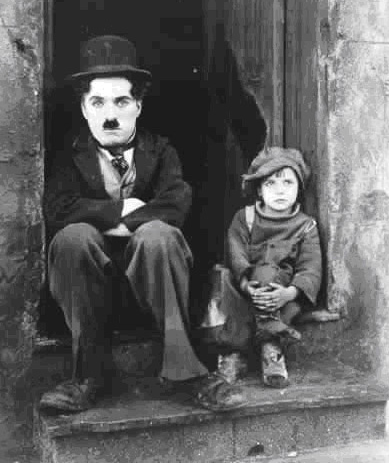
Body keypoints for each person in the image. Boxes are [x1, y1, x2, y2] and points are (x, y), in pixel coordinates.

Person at [39, 35, 246, 413]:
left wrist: (131, 220)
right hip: (87, 287)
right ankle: (88, 375)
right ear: (84, 109)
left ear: (138, 105)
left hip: (157, 284)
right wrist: (120, 212)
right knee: (73, 237)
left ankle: (186, 371)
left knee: (159, 235)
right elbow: (57, 208)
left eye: (121, 101)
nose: (110, 115)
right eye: (97, 102)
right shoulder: (70, 153)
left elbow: (176, 204)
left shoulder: (161, 149)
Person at [200, 147, 322, 394]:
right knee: (222, 276)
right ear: (259, 189)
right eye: (271, 183)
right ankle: (233, 352)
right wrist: (246, 285)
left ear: (299, 188)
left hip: (281, 296)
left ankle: (271, 347)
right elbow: (236, 256)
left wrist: (288, 293)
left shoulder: (305, 226)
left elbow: (311, 267)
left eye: (288, 182)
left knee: (267, 273)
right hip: (244, 290)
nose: (280, 190)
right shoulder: (244, 218)